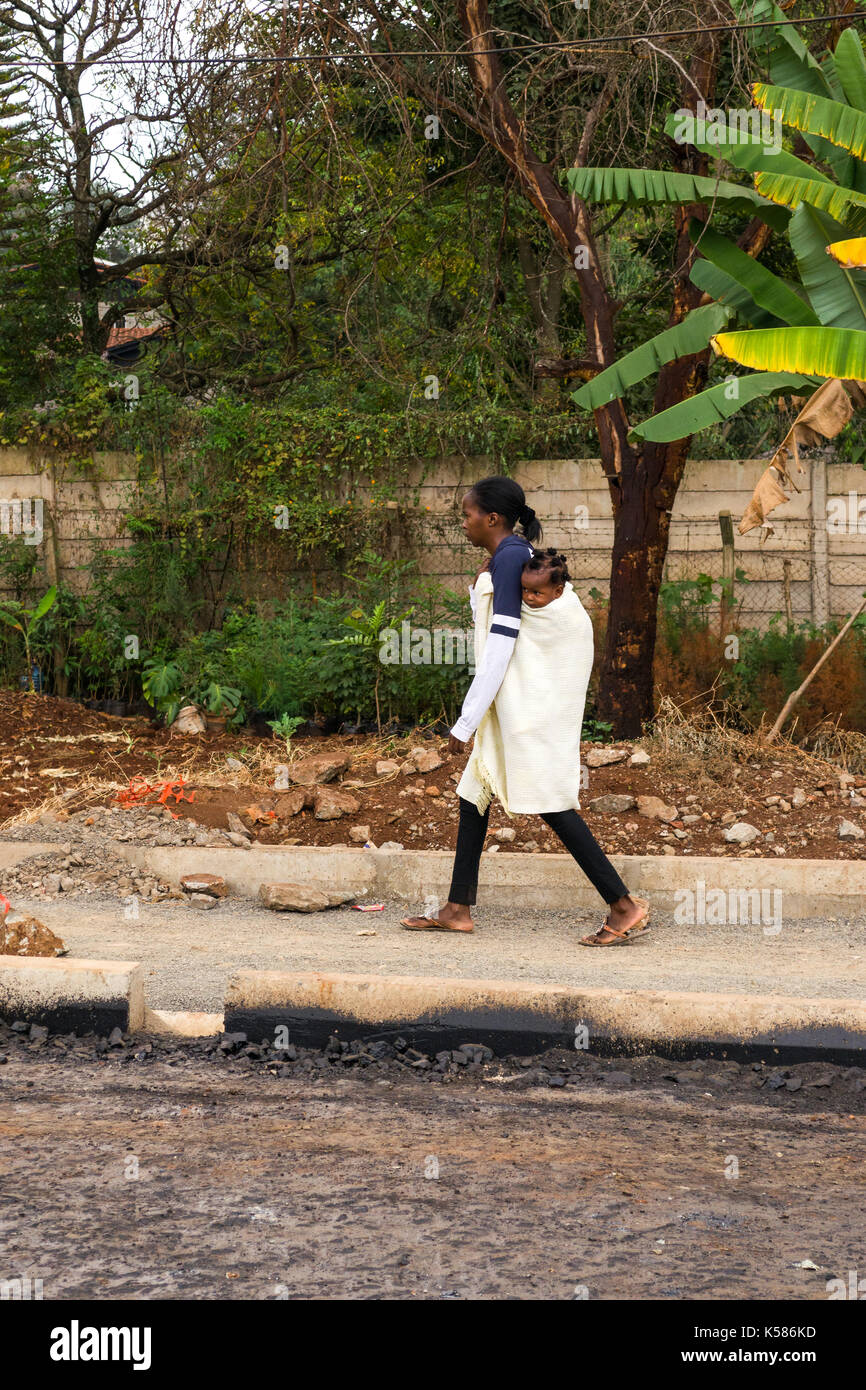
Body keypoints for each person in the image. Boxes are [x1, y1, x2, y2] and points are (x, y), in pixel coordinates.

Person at [400, 475, 650, 946]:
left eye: (468, 514)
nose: (464, 522)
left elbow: (502, 644)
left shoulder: (512, 556)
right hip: (508, 704)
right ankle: (458, 908)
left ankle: (623, 906)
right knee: (473, 794)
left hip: (523, 707)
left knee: (551, 802)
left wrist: (466, 721)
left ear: (491, 518)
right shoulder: (508, 555)